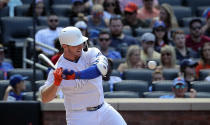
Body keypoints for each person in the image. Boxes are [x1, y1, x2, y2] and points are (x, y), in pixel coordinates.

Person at [39, 26, 127, 125]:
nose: (80, 46)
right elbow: (45, 98)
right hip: (78, 116)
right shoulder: (58, 67)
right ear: (64, 46)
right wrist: (56, 83)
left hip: (103, 110)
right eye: (75, 44)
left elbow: (99, 69)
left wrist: (75, 75)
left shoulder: (92, 53)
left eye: (80, 42)